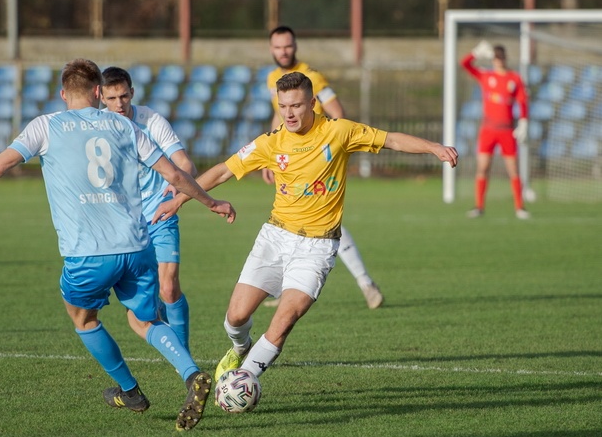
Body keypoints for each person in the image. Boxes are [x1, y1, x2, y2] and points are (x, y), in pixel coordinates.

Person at [0, 59, 236, 431]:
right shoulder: (124, 125)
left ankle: (131, 391)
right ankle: (191, 373)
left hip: (88, 252)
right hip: (136, 246)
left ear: (62, 94)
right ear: (99, 93)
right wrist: (212, 202)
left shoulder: (45, 126)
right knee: (143, 318)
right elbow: (175, 174)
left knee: (83, 318)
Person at [154, 72, 458, 384]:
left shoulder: (338, 131)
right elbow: (222, 171)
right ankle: (240, 347)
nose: (289, 113)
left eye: (297, 105)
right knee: (236, 317)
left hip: (318, 247)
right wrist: (179, 199)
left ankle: (244, 379)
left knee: (285, 318)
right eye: (283, 105)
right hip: (275, 237)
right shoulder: (270, 142)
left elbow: (390, 139)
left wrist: (434, 147)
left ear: (312, 103)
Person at [263, 25, 384, 309]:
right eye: (278, 47)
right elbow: (278, 118)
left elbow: (338, 114)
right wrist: (271, 156)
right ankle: (291, 288)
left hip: (315, 160)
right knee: (291, 221)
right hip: (289, 159)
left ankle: (366, 283)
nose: (284, 51)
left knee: (323, 222)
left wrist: (329, 149)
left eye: (288, 46)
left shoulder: (312, 77)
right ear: (271, 49)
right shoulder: (272, 78)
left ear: (296, 46)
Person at [100, 66, 196, 352]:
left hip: (160, 212)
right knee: (144, 304)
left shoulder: (151, 120)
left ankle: (186, 359)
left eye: (124, 96)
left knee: (168, 288)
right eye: (112, 98)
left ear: (132, 92)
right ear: (101, 98)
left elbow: (185, 163)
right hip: (122, 223)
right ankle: (176, 350)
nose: (119, 104)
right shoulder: (96, 126)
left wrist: (179, 186)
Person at [460, 41, 530, 219]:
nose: (498, 61)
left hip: (506, 130)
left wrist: (523, 122)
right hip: (488, 130)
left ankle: (519, 207)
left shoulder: (514, 79)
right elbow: (465, 64)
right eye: (495, 58)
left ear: (505, 58)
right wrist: (475, 53)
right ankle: (479, 206)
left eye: (501, 58)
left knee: (513, 169)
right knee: (482, 167)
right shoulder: (486, 75)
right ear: (492, 59)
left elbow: (522, 101)